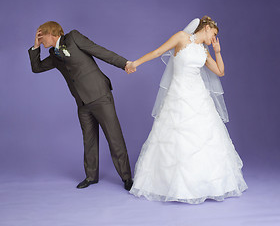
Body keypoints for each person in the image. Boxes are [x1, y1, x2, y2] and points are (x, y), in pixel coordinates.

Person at [126, 16, 248, 204]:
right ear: (206, 28)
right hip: (178, 95)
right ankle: (173, 186)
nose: (213, 38)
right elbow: (158, 52)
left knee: (204, 138)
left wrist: (217, 51)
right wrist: (135, 63)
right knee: (175, 138)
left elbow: (220, 72)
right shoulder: (182, 37)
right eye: (213, 35)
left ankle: (203, 184)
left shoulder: (204, 50)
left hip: (199, 97)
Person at [28, 21, 133, 190]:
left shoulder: (73, 38)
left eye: (41, 36)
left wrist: (124, 63)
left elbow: (99, 51)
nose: (40, 40)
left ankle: (127, 178)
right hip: (82, 102)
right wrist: (35, 47)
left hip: (100, 95)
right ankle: (91, 176)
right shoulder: (54, 56)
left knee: (114, 138)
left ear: (51, 33)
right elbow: (36, 67)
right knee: (89, 139)